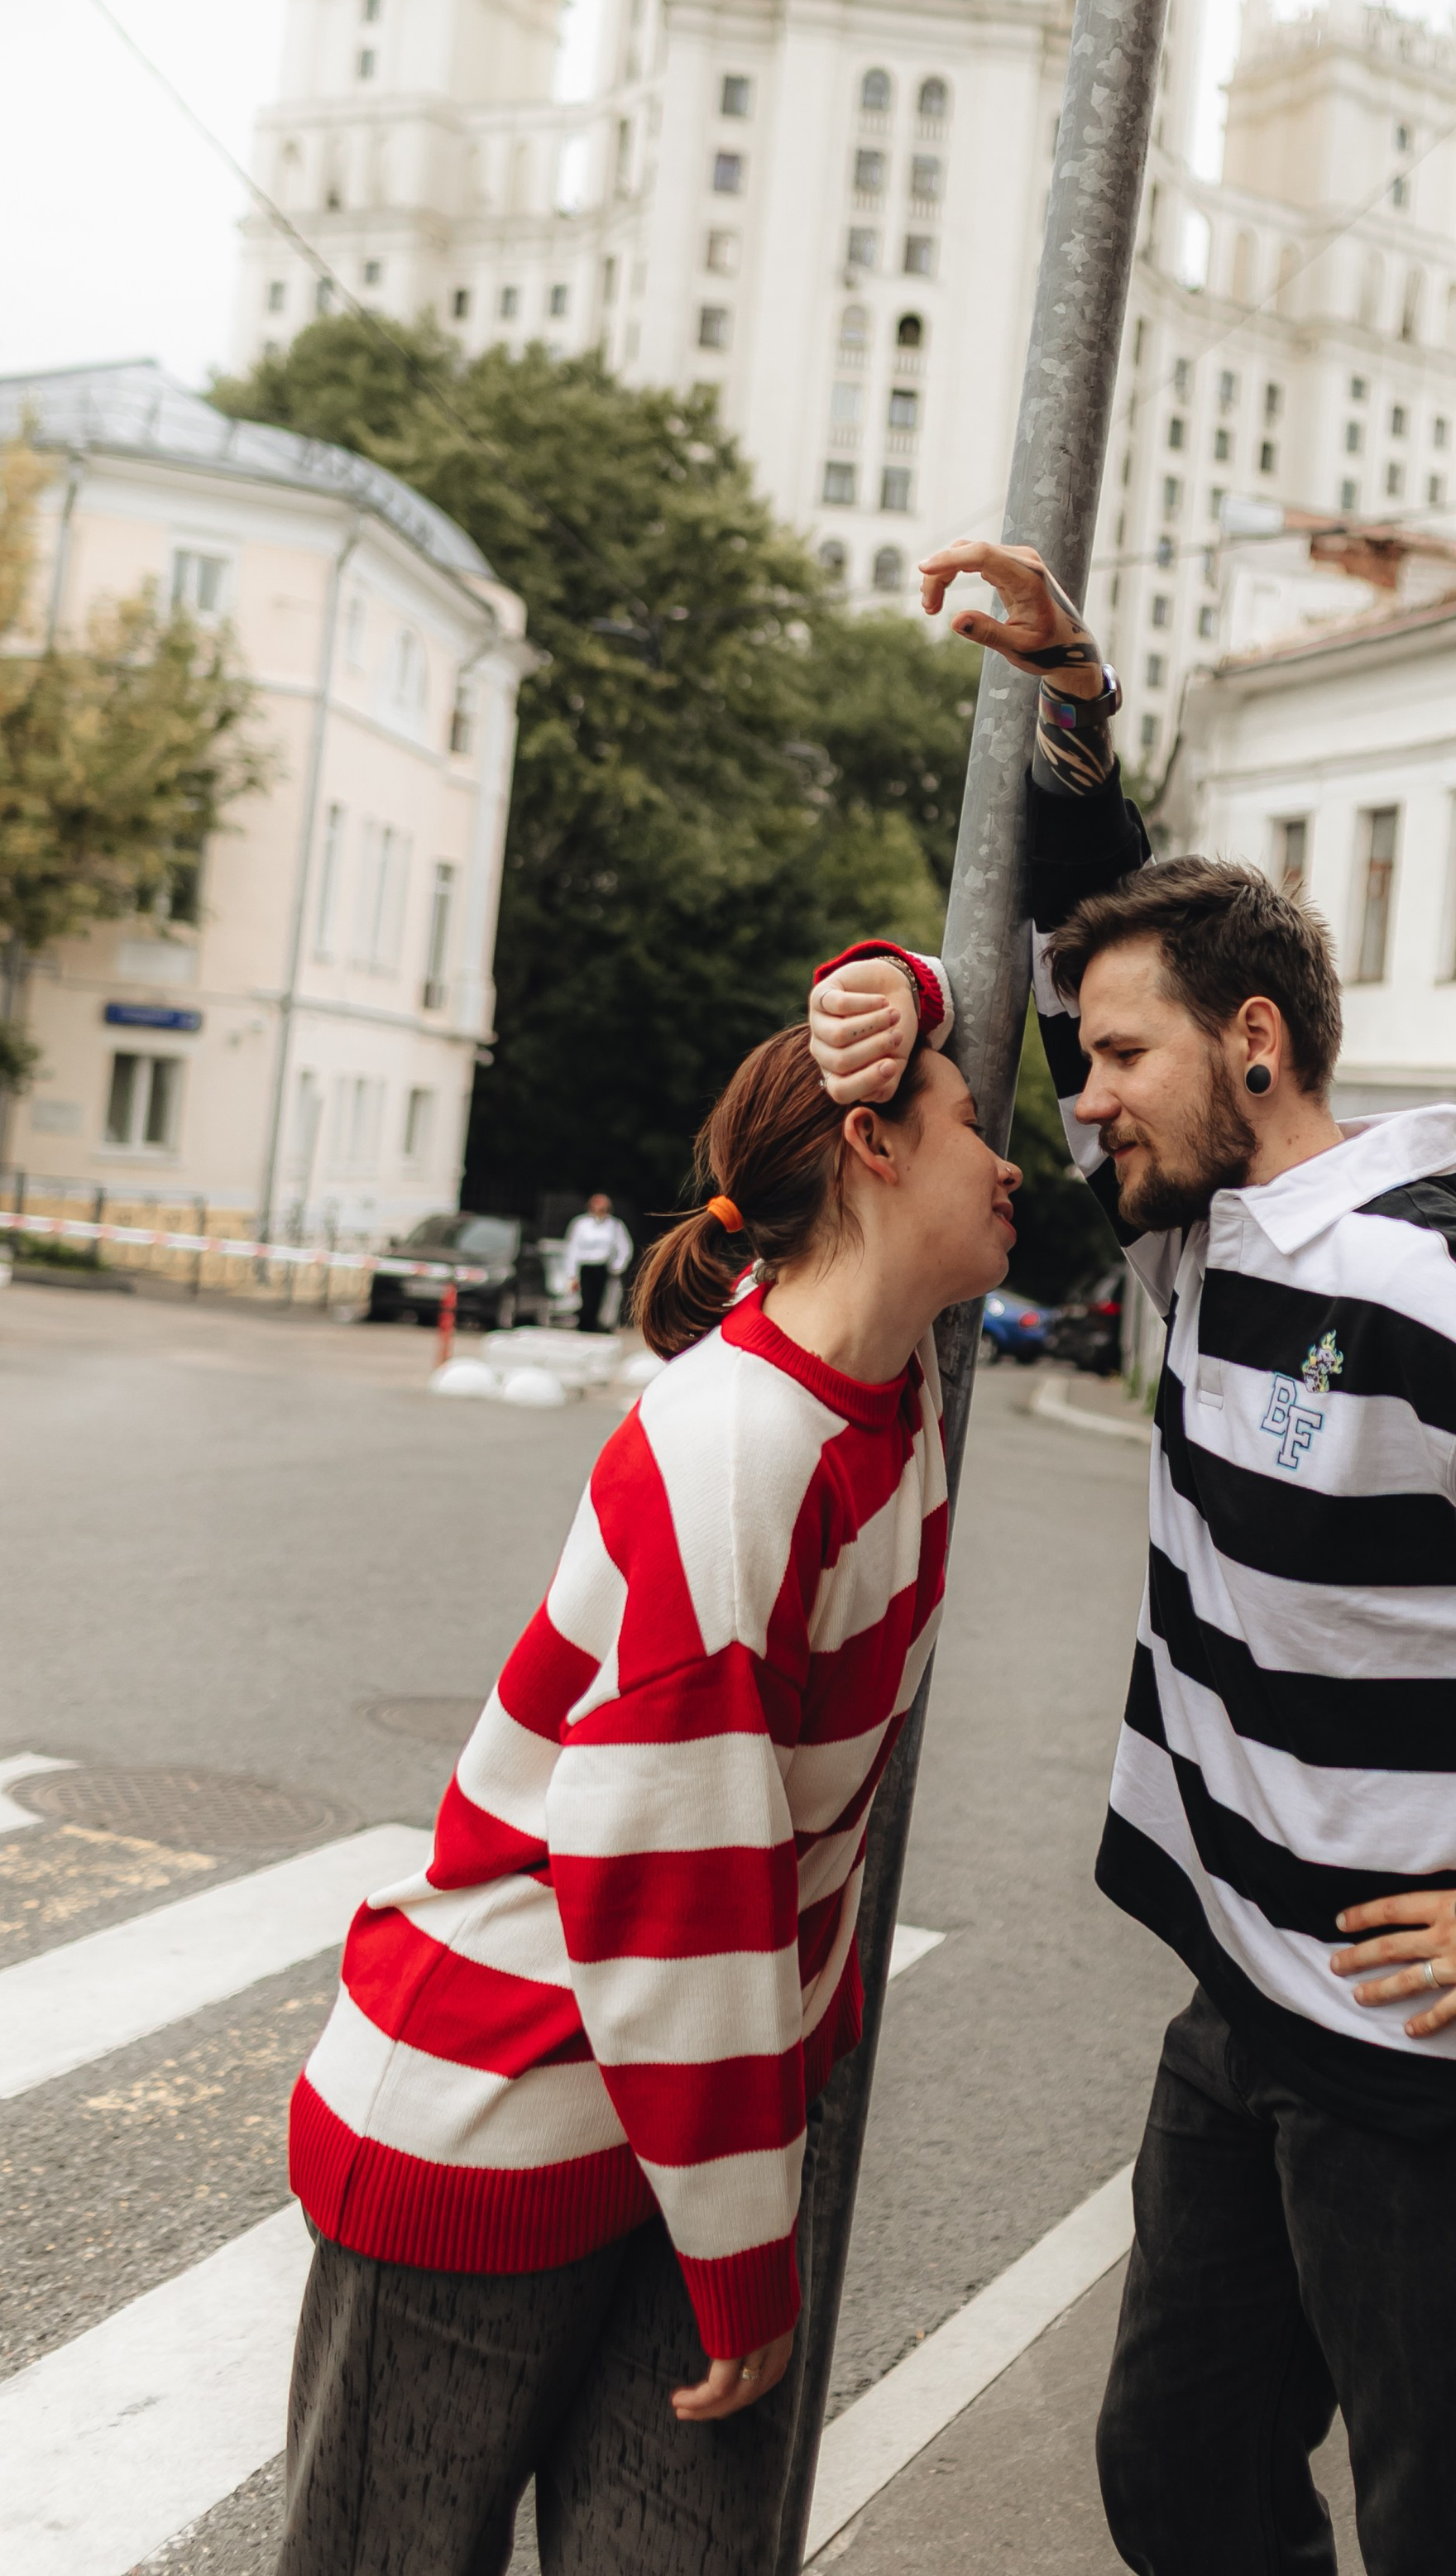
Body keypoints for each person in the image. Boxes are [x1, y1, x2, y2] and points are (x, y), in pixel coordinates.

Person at [811, 539, 1456, 2576]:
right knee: (1176, 2467)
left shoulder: (1428, 1300)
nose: (1081, 1101)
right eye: (1077, 1064)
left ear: (1255, 1047)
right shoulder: (1201, 1243)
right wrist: (1070, 696)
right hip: (1254, 2000)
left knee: (1441, 2509)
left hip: (1440, 2059)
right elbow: (1114, 922)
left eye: (1116, 1061)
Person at [276, 954, 1016, 2576]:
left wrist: (899, 985)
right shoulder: (739, 1443)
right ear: (879, 1152)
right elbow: (659, 1877)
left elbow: (1020, 898)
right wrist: (753, 2255)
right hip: (499, 2114)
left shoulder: (890, 1395)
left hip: (692, 2115)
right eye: (973, 1121)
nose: (1011, 1157)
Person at [561, 1191, 633, 1333]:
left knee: (603, 1299)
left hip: (603, 1267)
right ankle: (585, 1326)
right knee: (585, 1299)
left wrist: (618, 1266)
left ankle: (598, 1326)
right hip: (585, 1266)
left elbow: (625, 1247)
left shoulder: (614, 1225)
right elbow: (572, 1248)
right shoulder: (580, 1224)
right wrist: (571, 1272)